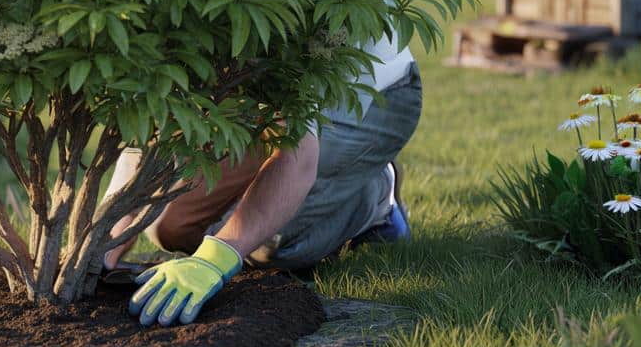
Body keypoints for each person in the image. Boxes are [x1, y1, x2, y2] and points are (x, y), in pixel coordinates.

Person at [98, 28, 423, 327]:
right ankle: (299, 189)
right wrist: (103, 247)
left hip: (373, 95)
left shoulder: (297, 8)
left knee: (273, 246)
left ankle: (377, 195)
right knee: (167, 227)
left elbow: (297, 150)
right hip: (259, 110)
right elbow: (152, 135)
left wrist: (216, 258)